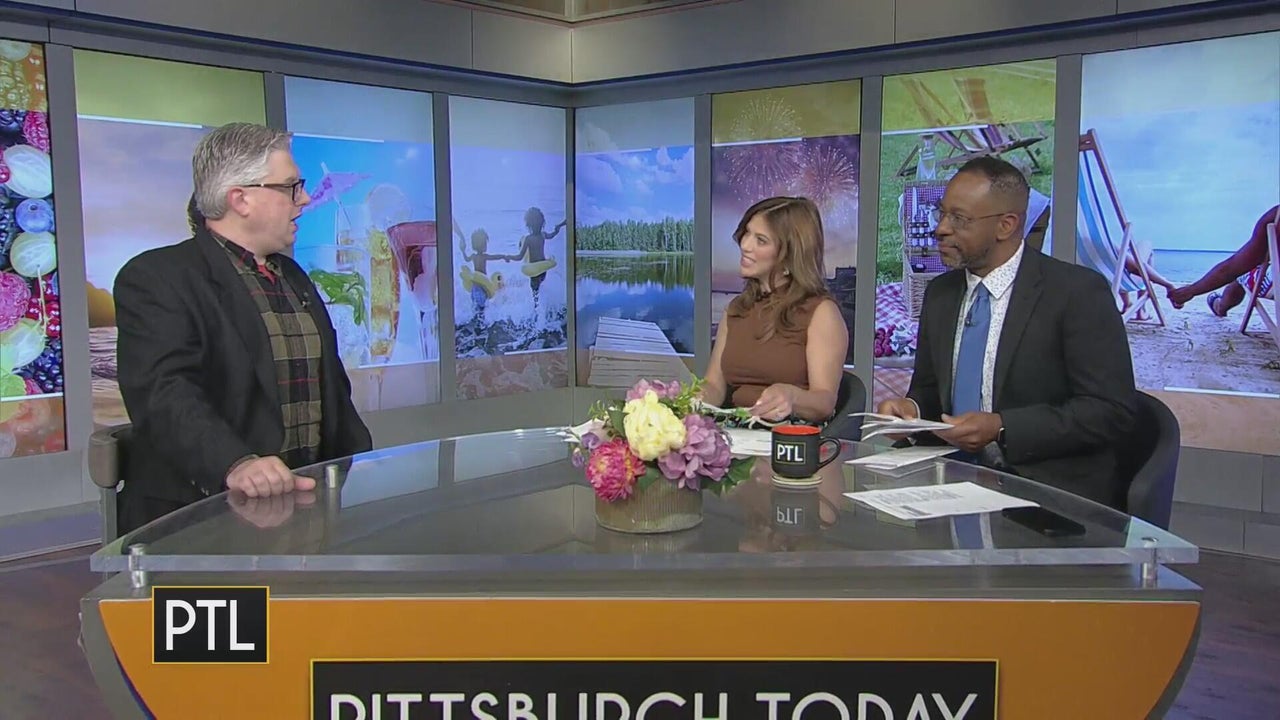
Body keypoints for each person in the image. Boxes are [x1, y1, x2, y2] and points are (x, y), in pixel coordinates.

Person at [113, 122, 372, 533]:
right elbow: (163, 392)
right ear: (240, 199)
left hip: (304, 511)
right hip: (198, 523)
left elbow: (330, 391)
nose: (304, 199)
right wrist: (236, 464)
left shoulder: (293, 276)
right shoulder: (157, 277)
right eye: (290, 187)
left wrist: (360, 465)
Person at [877, 156, 1137, 507]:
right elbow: (929, 390)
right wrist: (909, 409)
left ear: (1006, 225)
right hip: (947, 478)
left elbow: (1110, 412)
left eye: (959, 219)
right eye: (942, 213)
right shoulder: (941, 294)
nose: (940, 228)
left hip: (1045, 492)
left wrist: (1002, 427)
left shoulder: (1076, 294)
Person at [700, 196, 849, 425]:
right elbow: (714, 386)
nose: (745, 245)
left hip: (790, 436)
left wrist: (791, 397)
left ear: (789, 256)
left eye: (761, 240)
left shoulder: (821, 313)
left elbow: (825, 403)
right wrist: (691, 400)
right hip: (734, 432)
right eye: (747, 233)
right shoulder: (735, 309)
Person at [1167, 204, 1280, 317]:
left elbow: (1232, 268)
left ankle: (1220, 306)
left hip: (1276, 287)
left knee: (1242, 273)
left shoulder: (1275, 216)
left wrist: (1192, 290)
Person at [507, 206, 566, 310]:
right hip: (543, 270)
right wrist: (560, 225)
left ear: (528, 225)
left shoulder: (528, 239)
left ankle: (537, 313)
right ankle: (544, 309)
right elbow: (553, 234)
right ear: (542, 223)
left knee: (535, 296)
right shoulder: (543, 235)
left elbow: (520, 257)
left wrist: (508, 257)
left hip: (534, 271)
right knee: (540, 289)